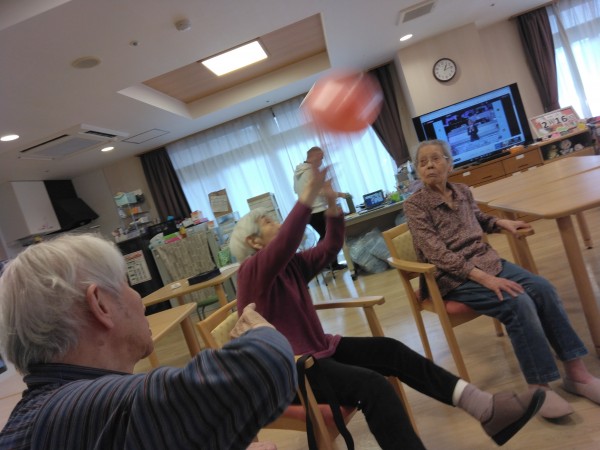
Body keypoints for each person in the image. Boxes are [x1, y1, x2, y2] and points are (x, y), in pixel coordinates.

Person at [229, 162, 545, 449]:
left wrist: (332, 205)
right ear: (253, 242)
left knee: (391, 350)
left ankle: (486, 408)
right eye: (269, 221)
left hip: (317, 352)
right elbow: (286, 241)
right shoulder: (251, 272)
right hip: (289, 372)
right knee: (373, 386)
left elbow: (330, 246)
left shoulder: (290, 265)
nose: (277, 223)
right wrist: (308, 196)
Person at [0, 234, 296, 450]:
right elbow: (263, 364)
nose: (139, 299)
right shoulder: (76, 410)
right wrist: (259, 331)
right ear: (100, 304)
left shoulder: (47, 413)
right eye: (126, 284)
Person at [403, 139, 600, 420]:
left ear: (450, 163)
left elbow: (479, 219)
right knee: (517, 302)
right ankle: (539, 388)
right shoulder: (415, 205)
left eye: (436, 159)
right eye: (422, 163)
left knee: (543, 288)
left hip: (488, 261)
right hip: (452, 278)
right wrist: (484, 279)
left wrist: (500, 223)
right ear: (417, 170)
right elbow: (437, 254)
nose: (430, 166)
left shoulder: (462, 191)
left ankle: (577, 374)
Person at [293, 145, 349, 271]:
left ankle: (327, 263)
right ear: (316, 156)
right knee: (329, 236)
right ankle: (325, 263)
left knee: (324, 236)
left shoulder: (297, 173)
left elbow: (296, 190)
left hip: (308, 212)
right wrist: (340, 194)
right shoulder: (310, 172)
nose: (322, 161)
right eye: (322, 158)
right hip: (317, 210)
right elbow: (321, 191)